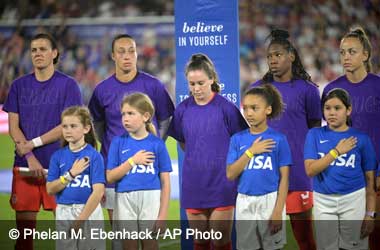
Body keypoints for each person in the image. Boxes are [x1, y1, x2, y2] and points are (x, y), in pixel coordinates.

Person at [2, 33, 82, 250]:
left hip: (60, 168)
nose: (37, 53)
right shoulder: (19, 86)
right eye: (34, 50)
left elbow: (69, 126)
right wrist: (29, 157)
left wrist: (33, 144)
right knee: (24, 237)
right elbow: (13, 126)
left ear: (54, 53)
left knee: (68, 236)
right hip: (25, 169)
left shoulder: (68, 85)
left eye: (43, 49)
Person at [88, 34, 174, 224]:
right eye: (121, 52)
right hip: (113, 172)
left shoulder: (153, 85)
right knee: (119, 238)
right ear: (113, 56)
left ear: (137, 54)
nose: (127, 56)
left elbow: (166, 119)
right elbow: (97, 126)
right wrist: (113, 147)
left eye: (131, 51)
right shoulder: (102, 90)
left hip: (146, 170)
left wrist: (154, 143)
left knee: (148, 237)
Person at [168, 53, 248, 250]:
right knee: (200, 243)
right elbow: (184, 142)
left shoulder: (226, 108)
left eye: (201, 83)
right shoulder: (182, 110)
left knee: (221, 243)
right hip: (193, 185)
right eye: (192, 83)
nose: (196, 89)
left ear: (212, 79)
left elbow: (242, 142)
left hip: (222, 184)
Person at [250, 29, 320, 250]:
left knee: (306, 240)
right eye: (269, 56)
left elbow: (313, 128)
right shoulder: (257, 89)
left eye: (278, 55)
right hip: (265, 176)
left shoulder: (308, 90)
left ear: (291, 56)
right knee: (266, 242)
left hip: (298, 174)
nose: (272, 60)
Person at [321, 27, 380, 250]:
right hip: (348, 174)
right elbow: (330, 134)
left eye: (352, 52)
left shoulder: (377, 86)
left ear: (365, 54)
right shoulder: (333, 88)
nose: (346, 57)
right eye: (343, 52)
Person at [304, 88, 376, 250]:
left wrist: (370, 214)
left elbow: (370, 182)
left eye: (337, 108)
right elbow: (310, 170)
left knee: (354, 246)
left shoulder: (361, 139)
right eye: (327, 108)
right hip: (323, 200)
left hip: (353, 199)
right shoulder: (314, 135)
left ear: (348, 110)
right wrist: (336, 152)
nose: (332, 112)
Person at [227, 84, 291, 250]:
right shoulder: (237, 139)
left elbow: (284, 179)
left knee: (272, 247)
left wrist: (278, 211)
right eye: (246, 108)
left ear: (268, 110)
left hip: (270, 201)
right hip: (244, 201)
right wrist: (250, 152)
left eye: (254, 108)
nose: (248, 113)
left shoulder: (278, 139)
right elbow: (230, 174)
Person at [106, 92, 172, 250]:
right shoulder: (117, 143)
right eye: (123, 114)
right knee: (129, 245)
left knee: (150, 244)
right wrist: (132, 161)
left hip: (151, 198)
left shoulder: (157, 144)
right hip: (124, 199)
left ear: (145, 116)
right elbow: (110, 177)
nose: (125, 118)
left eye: (130, 113)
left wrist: (162, 215)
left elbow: (166, 183)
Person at [46, 106, 105, 250]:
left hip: (88, 213)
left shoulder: (94, 156)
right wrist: (70, 174)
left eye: (73, 126)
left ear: (86, 129)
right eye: (65, 126)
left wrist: (80, 221)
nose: (68, 130)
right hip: (64, 212)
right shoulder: (57, 157)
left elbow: (98, 192)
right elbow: (50, 189)